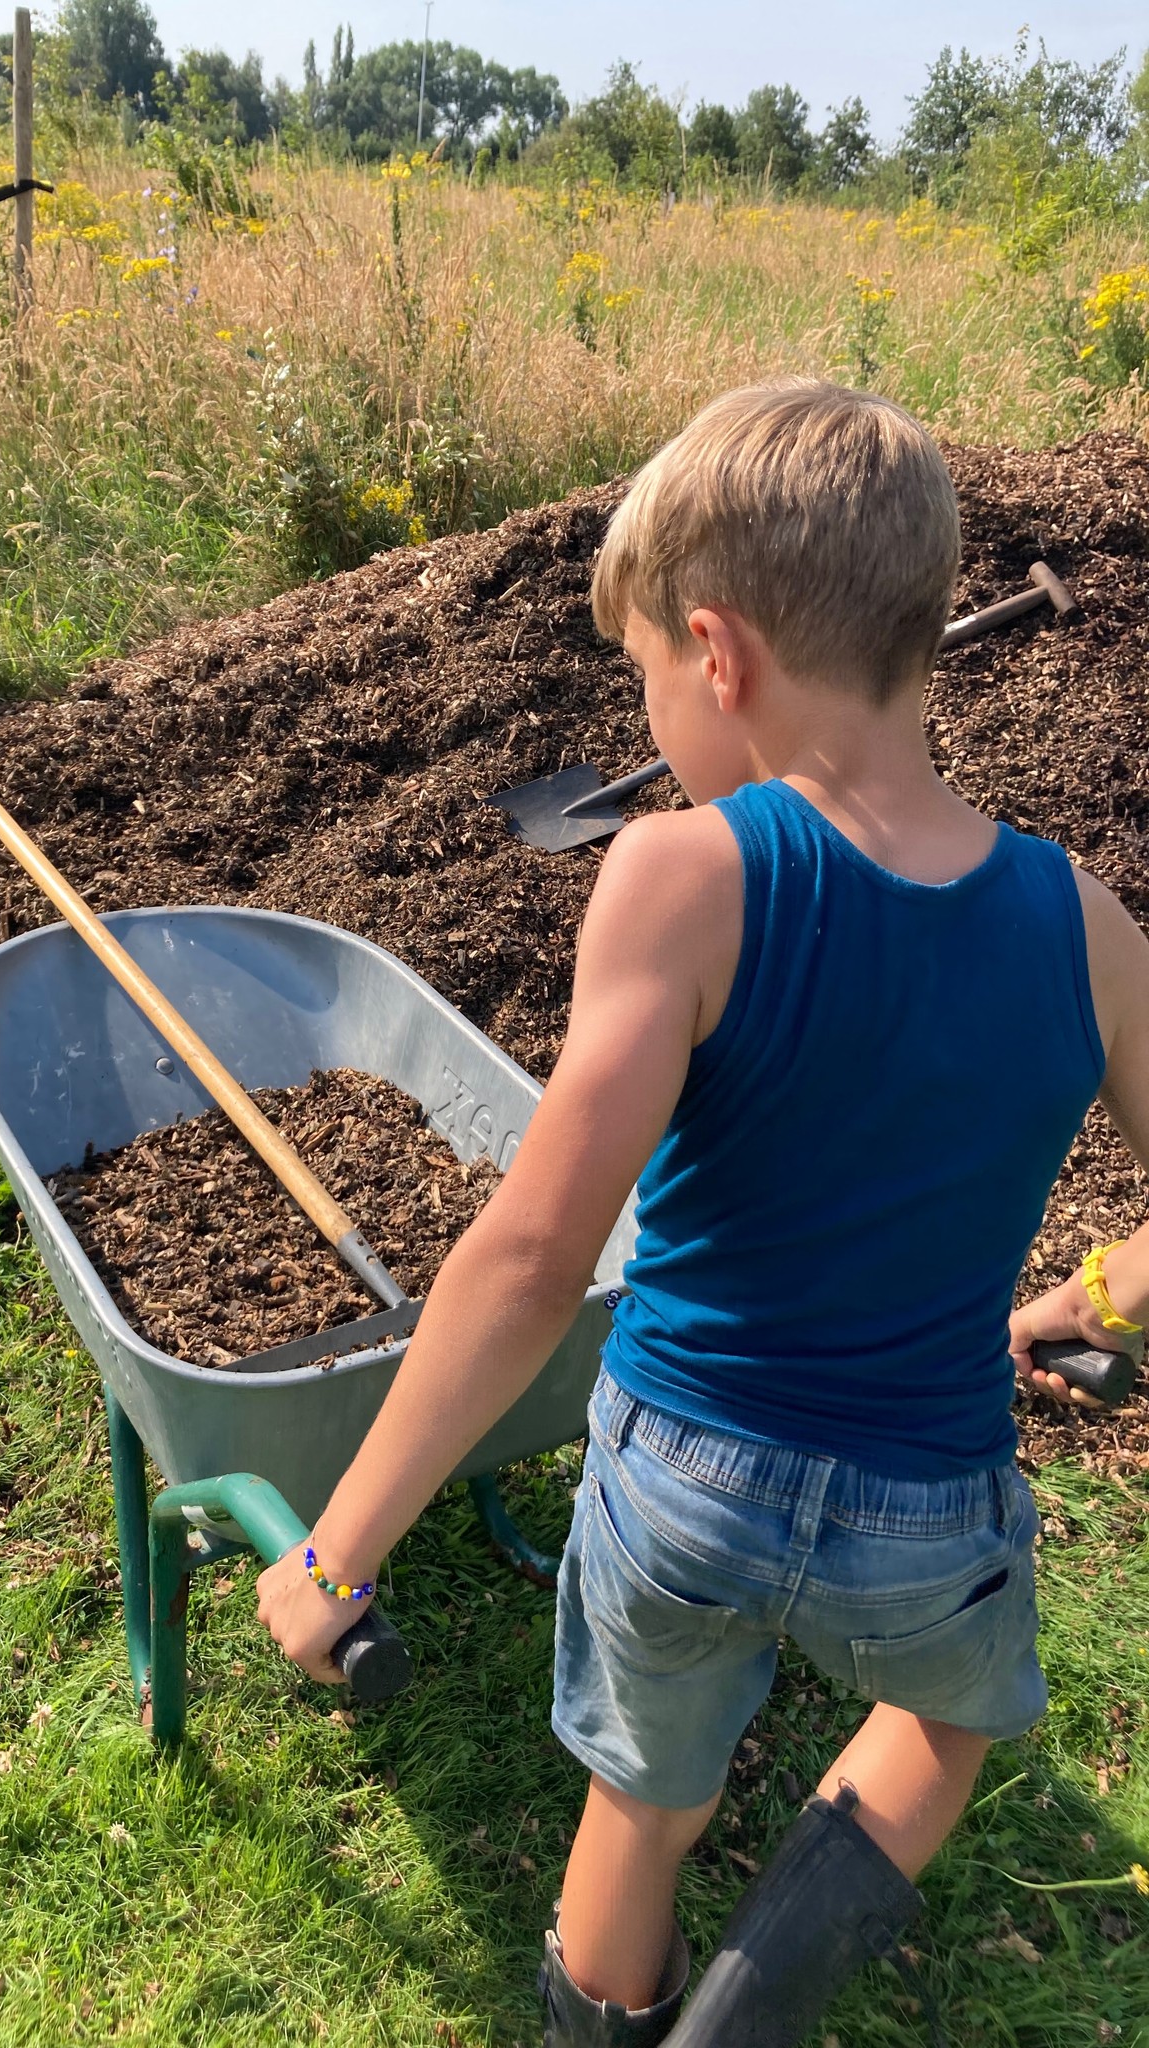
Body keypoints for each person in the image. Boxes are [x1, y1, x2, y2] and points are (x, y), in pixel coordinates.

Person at [255, 380, 1149, 2047]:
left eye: (648, 677)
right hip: (928, 1501)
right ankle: (743, 2020)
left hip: (683, 1482)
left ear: (718, 656)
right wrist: (1096, 1292)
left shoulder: (684, 875)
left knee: (645, 1793)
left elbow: (530, 1255)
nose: (656, 717)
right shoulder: (1084, 926)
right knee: (946, 1727)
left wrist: (338, 1543)